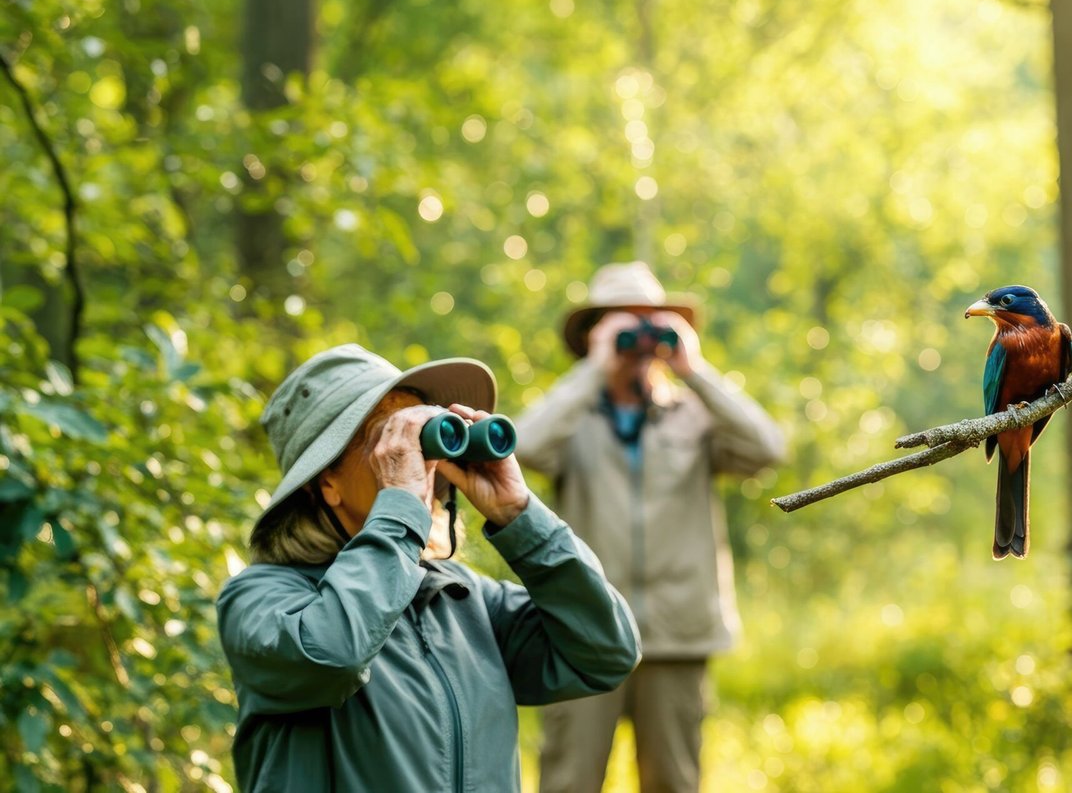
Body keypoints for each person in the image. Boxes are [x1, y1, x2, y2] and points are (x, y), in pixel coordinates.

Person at [217, 343, 640, 792]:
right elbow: (332, 655)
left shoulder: (463, 599)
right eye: (385, 437)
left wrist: (520, 515)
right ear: (328, 482)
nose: (415, 455)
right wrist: (400, 506)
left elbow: (607, 651)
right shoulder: (260, 598)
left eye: (419, 428)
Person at [517, 262, 787, 793]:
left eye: (648, 325)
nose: (639, 340)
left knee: (674, 783)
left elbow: (768, 449)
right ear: (594, 334)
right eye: (623, 326)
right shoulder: (572, 418)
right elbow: (522, 448)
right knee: (567, 781)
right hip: (584, 632)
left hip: (677, 635)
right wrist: (593, 371)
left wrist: (696, 370)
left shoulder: (694, 414)